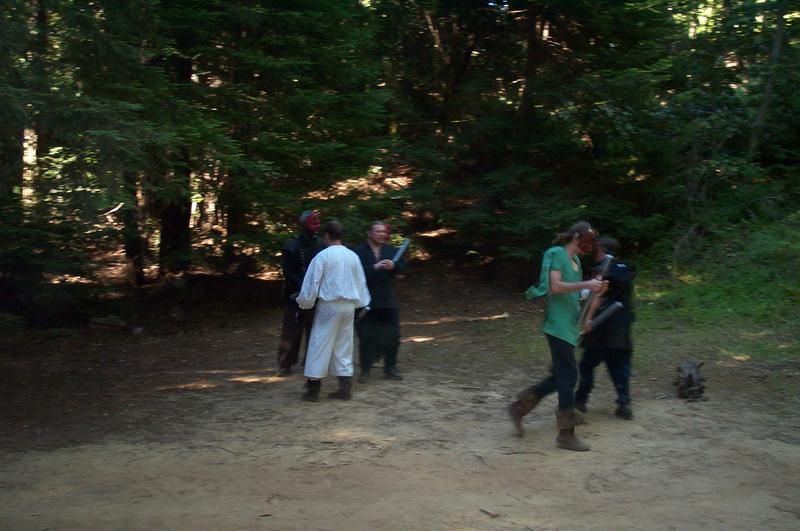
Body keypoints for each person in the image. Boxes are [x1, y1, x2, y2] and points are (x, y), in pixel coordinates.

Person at [508, 221, 607, 452]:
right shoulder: (556, 253)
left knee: (561, 376)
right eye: (586, 242)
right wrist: (587, 283)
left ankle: (519, 407)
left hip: (570, 326)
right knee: (569, 375)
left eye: (591, 244)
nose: (588, 247)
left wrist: (594, 290)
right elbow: (555, 287)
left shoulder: (576, 262)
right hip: (557, 326)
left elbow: (577, 294)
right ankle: (566, 433)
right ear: (575, 237)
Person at [297, 220, 371, 402]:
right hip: (348, 306)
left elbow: (312, 283)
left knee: (319, 343)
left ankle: (313, 389)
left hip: (329, 306)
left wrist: (304, 304)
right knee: (344, 344)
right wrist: (363, 304)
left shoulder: (322, 256)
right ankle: (345, 388)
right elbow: (360, 282)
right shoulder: (352, 256)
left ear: (327, 236)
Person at [575, 237, 635, 420]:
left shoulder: (608, 270)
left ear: (603, 250)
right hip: (618, 327)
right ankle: (623, 403)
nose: (595, 252)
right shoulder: (621, 270)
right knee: (618, 366)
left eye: (597, 249)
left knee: (588, 365)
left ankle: (580, 402)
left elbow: (595, 293)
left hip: (603, 328)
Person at [353, 221, 407, 382]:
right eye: (378, 231)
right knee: (366, 336)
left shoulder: (391, 251)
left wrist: (394, 266)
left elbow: (402, 272)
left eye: (384, 232)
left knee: (393, 336)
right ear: (369, 233)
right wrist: (374, 267)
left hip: (387, 301)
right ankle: (365, 369)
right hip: (365, 302)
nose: (382, 234)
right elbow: (353, 274)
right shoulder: (358, 252)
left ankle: (390, 367)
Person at [276, 210, 326, 377]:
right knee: (292, 330)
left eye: (318, 222)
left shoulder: (321, 245)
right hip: (296, 295)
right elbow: (288, 271)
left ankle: (311, 362)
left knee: (314, 329)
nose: (317, 225)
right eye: (313, 222)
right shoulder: (292, 247)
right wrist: (303, 287)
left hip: (317, 295)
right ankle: (286, 363)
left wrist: (315, 288)